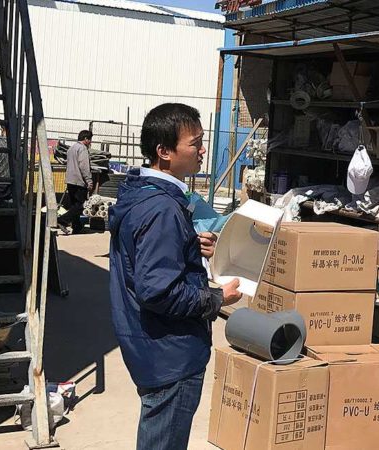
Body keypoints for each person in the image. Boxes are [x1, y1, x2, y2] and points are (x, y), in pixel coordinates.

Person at [108, 103, 242, 450]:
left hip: (154, 348)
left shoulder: (146, 197)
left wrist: (187, 244)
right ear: (164, 152)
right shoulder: (162, 209)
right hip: (171, 355)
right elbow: (158, 292)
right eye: (194, 143)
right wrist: (217, 298)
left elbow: (142, 260)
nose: (202, 151)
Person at [58, 130, 93, 234]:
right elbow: (84, 166)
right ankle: (62, 220)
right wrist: (89, 180)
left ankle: (77, 227)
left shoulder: (71, 148)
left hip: (70, 180)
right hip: (79, 181)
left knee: (74, 204)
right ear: (86, 139)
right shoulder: (82, 149)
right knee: (80, 205)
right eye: (90, 139)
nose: (90, 142)